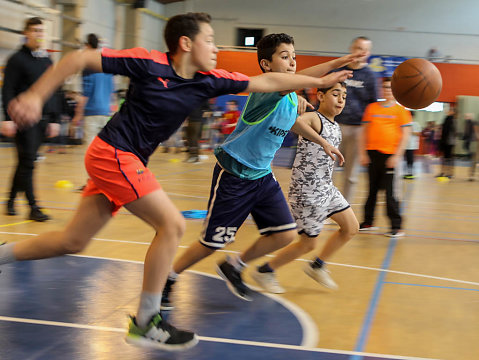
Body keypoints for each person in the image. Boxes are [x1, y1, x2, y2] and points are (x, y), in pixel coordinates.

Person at [2, 14, 353, 351]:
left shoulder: (207, 79)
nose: (216, 47)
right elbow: (78, 58)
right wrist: (35, 95)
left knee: (72, 241)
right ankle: (146, 321)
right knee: (171, 225)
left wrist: (324, 77)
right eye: (210, 39)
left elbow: (269, 82)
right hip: (113, 152)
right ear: (186, 43)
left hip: (128, 160)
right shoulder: (148, 63)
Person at [162, 32, 360, 306]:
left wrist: (322, 142)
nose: (292, 62)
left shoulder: (290, 97)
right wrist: (334, 67)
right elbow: (302, 79)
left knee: (285, 233)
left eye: (294, 57)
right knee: (213, 242)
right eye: (284, 56)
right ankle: (168, 278)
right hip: (235, 173)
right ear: (266, 65)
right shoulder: (267, 90)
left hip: (262, 175)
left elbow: (295, 120)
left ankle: (235, 265)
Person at [251, 82, 359, 294]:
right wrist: (297, 104)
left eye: (344, 96)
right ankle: (265, 270)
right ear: (320, 96)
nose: (340, 100)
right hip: (307, 192)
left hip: (327, 189)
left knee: (351, 228)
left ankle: (317, 266)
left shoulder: (336, 126)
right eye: (335, 94)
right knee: (308, 244)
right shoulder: (314, 118)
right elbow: (294, 122)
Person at [1, 17, 60, 221]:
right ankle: (33, 207)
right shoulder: (16, 59)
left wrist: (55, 119)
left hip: (43, 120)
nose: (38, 34)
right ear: (25, 33)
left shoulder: (47, 61)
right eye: (34, 30)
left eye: (41, 31)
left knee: (25, 163)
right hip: (23, 120)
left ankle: (9, 200)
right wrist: (7, 118)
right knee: (28, 162)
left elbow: (53, 91)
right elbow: (7, 90)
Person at [358, 77, 411, 237]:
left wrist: (396, 156)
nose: (388, 90)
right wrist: (362, 153)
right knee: (371, 191)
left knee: (390, 193)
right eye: (385, 87)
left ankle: (396, 226)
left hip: (390, 156)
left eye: (390, 88)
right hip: (372, 155)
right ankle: (368, 222)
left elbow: (406, 136)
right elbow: (363, 132)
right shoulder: (372, 108)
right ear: (382, 89)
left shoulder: (402, 111)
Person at [333, 36, 378, 203]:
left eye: (366, 49)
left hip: (357, 130)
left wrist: (369, 133)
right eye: (359, 47)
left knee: (350, 176)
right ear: (352, 48)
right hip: (334, 125)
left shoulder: (370, 77)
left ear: (369, 53)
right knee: (327, 171)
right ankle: (325, 208)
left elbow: (374, 107)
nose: (362, 52)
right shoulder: (337, 70)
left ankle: (343, 209)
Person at [72, 33, 114, 145]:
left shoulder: (89, 65)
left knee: (90, 150)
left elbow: (86, 92)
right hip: (106, 113)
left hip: (92, 114)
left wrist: (77, 115)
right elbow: (111, 92)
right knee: (104, 149)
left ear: (87, 46)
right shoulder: (107, 64)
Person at [436, 107, 456, 178]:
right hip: (445, 141)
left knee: (449, 158)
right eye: (449, 110)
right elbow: (443, 130)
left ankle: (449, 173)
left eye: (450, 110)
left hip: (450, 142)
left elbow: (454, 131)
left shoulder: (453, 120)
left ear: (453, 112)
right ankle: (442, 172)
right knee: (444, 158)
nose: (448, 111)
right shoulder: (446, 119)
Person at [403, 113, 422, 179]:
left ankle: (410, 173)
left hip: (411, 145)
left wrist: (410, 131)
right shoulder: (405, 123)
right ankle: (406, 173)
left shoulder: (415, 124)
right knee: (405, 159)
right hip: (405, 144)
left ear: (412, 116)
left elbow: (418, 133)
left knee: (410, 159)